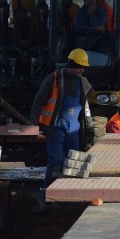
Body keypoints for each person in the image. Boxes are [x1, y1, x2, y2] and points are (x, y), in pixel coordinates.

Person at [30, 48, 95, 194]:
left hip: (74, 129)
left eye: (83, 67)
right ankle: (47, 196)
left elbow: (85, 108)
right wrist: (34, 122)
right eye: (79, 67)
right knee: (57, 160)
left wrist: (89, 128)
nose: (82, 71)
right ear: (71, 65)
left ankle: (69, 196)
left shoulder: (83, 83)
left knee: (74, 163)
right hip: (56, 128)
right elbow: (38, 101)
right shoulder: (53, 79)